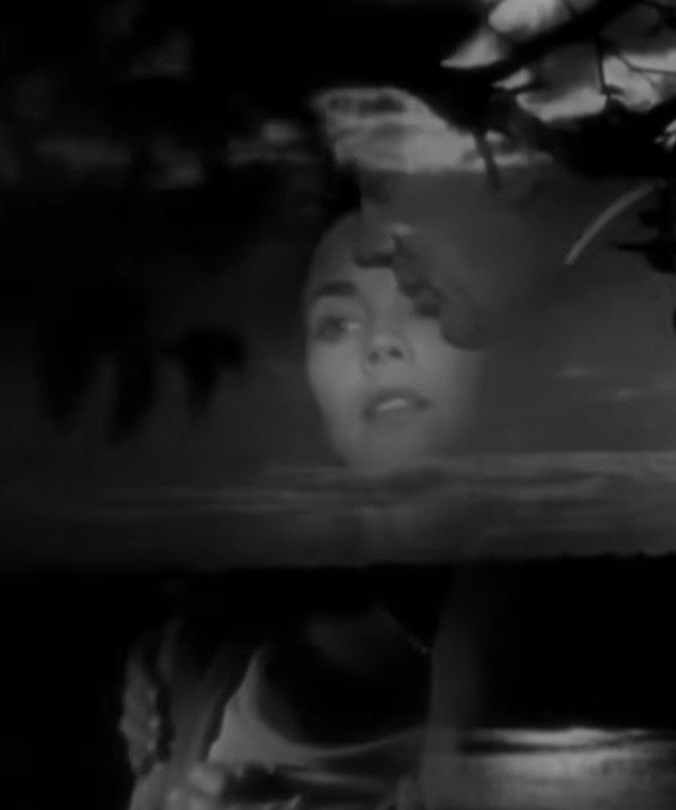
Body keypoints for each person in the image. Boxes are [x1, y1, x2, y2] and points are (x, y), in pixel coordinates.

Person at [118, 192, 498, 810]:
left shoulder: (532, 606)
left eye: (424, 306)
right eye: (337, 325)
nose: (380, 344)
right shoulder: (212, 642)